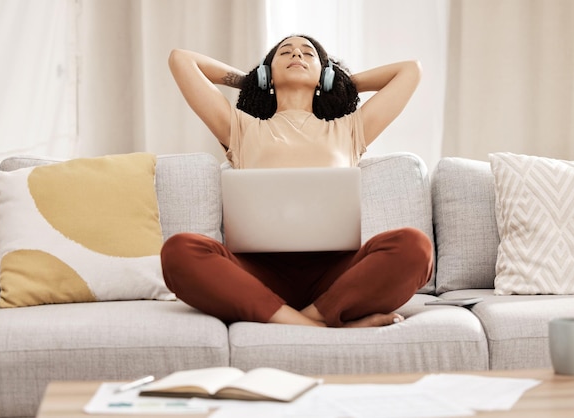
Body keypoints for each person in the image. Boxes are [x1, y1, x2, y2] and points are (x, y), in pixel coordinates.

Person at [162, 34, 433, 328]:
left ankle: (303, 319)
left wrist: (336, 81)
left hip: (336, 275)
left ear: (324, 74)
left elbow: (410, 71)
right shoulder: (239, 128)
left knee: (415, 246)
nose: (297, 56)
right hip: (258, 273)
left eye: (308, 54)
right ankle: (321, 326)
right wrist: (254, 81)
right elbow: (181, 60)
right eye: (285, 53)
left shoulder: (350, 129)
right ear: (267, 72)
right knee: (179, 250)